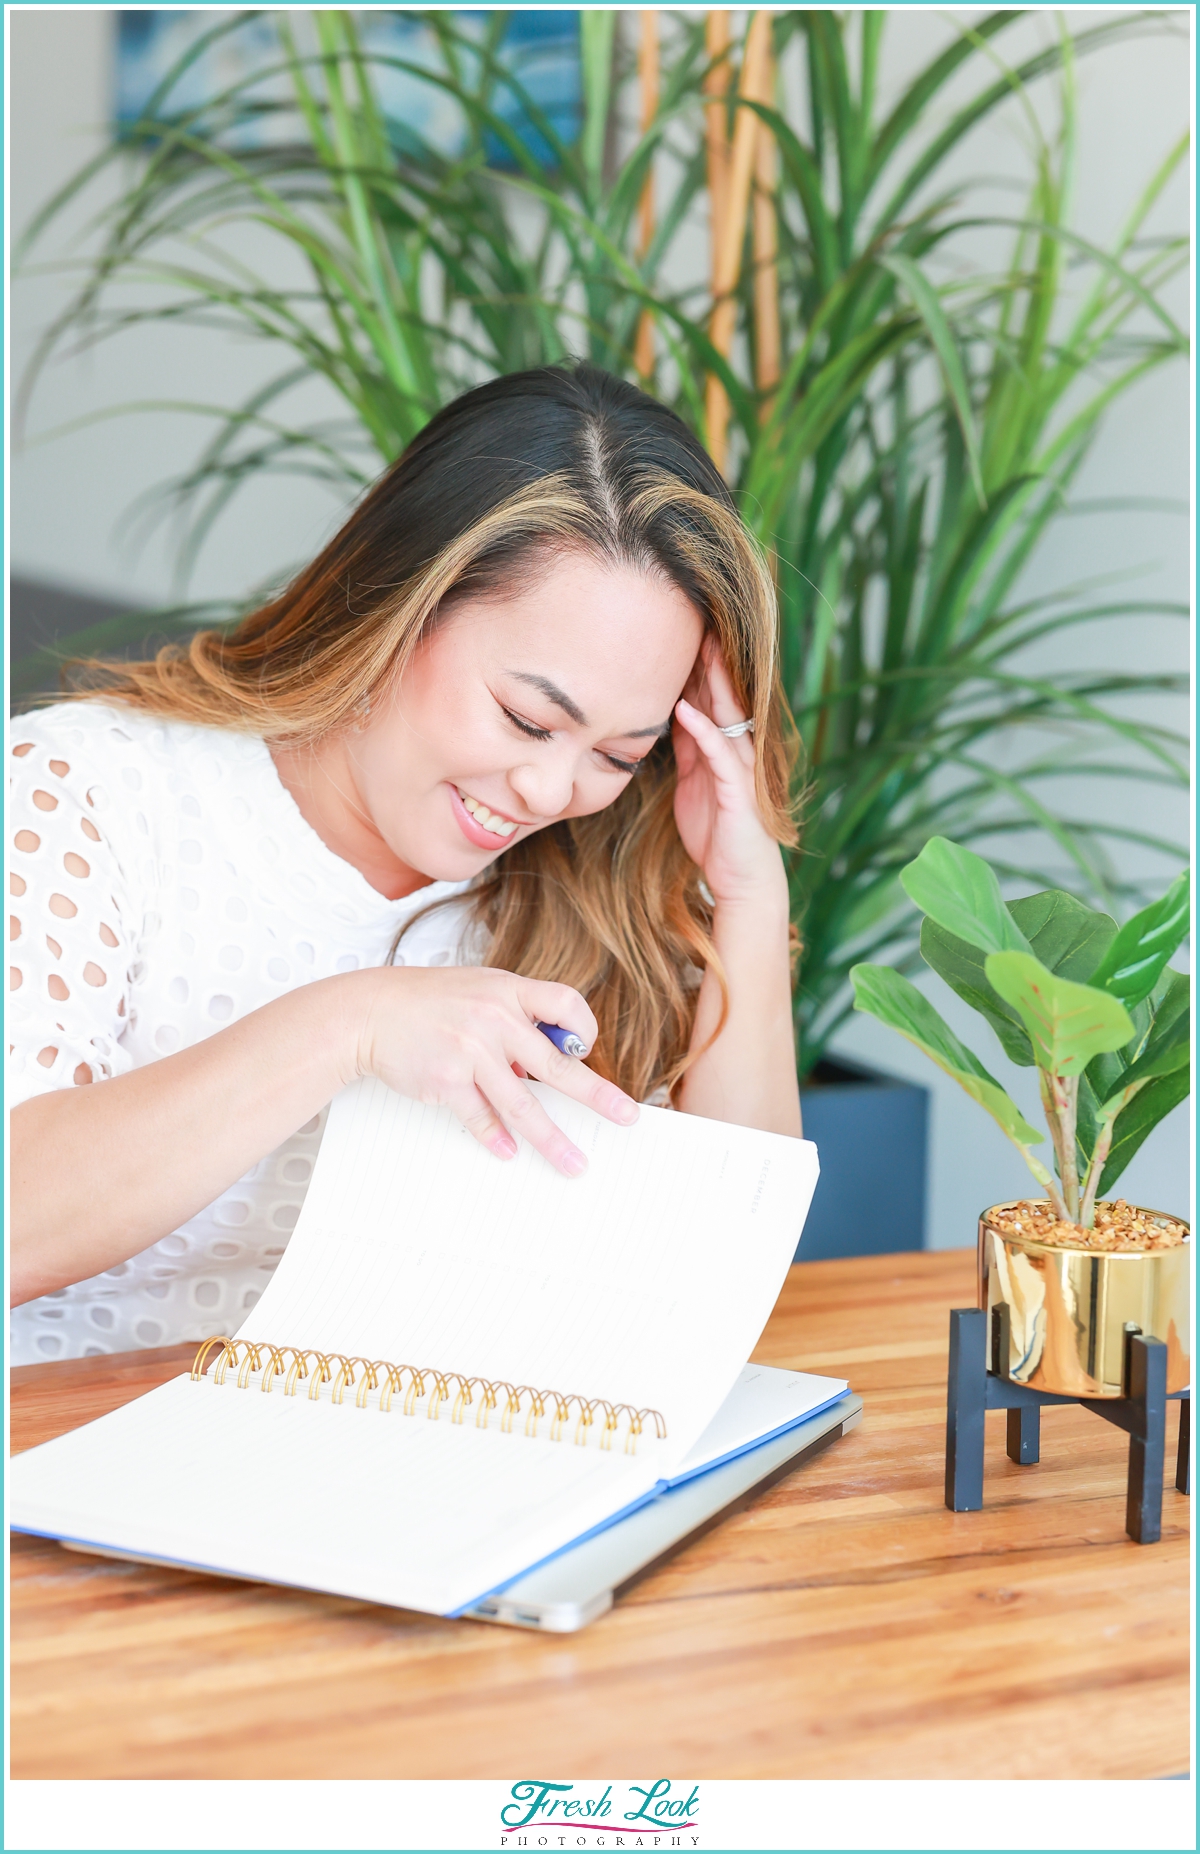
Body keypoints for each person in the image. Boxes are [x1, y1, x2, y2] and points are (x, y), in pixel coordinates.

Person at [9, 363, 801, 1364]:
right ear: (396, 603)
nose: (552, 793)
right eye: (526, 717)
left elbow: (719, 1275)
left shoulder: (593, 874)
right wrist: (351, 1022)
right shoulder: (83, 791)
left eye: (617, 753)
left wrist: (745, 892)